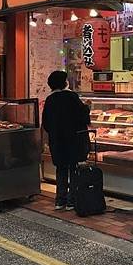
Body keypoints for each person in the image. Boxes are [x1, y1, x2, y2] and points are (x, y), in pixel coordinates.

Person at [42, 71, 91, 210]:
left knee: (61, 170)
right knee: (74, 169)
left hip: (57, 142)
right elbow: (82, 116)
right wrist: (87, 106)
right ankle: (71, 201)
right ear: (64, 82)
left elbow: (46, 123)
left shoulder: (50, 100)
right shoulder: (71, 96)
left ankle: (59, 201)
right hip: (73, 140)